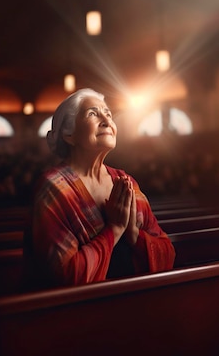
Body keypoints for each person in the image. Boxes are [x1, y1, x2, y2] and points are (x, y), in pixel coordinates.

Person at [28, 88, 175, 287]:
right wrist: (114, 229)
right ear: (69, 134)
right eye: (92, 114)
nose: (106, 121)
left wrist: (132, 233)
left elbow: (167, 253)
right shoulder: (54, 188)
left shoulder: (125, 182)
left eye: (108, 114)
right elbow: (64, 277)